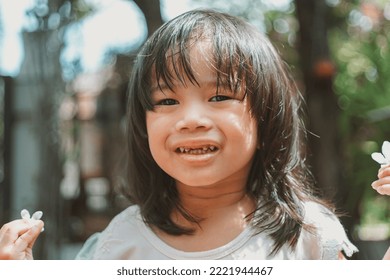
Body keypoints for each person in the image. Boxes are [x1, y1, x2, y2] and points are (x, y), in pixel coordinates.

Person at [1, 8, 381, 260]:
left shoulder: (309, 235)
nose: (192, 119)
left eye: (219, 96)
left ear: (266, 121)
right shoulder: (119, 243)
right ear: (143, 126)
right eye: (166, 102)